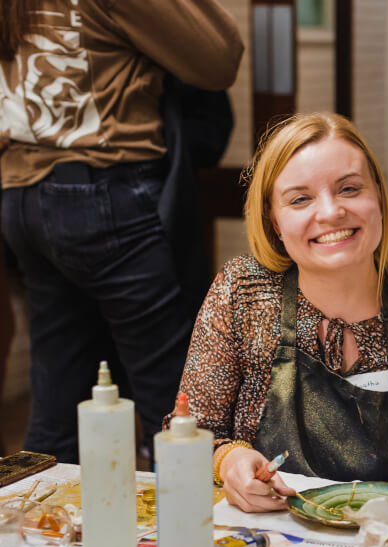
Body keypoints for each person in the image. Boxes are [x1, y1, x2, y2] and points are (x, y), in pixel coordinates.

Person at [174, 113, 388, 513]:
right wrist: (228, 460)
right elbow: (188, 433)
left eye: (349, 189)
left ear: (378, 199)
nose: (330, 212)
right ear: (274, 221)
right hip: (271, 541)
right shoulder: (242, 293)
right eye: (300, 199)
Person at [0, 0, 243, 463]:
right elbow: (219, 56)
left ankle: (37, 533)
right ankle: (190, 532)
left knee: (57, 399)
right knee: (175, 404)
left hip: (23, 193)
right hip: (104, 191)